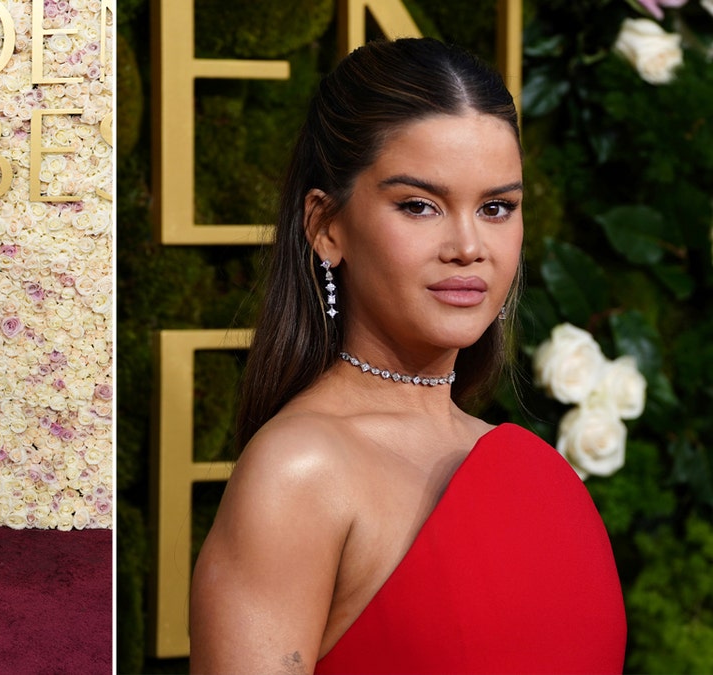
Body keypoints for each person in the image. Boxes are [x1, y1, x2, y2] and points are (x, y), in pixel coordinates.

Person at [189, 38, 626, 674]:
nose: (469, 246)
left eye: (497, 207)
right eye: (420, 205)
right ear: (327, 227)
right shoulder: (301, 471)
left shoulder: (530, 470)